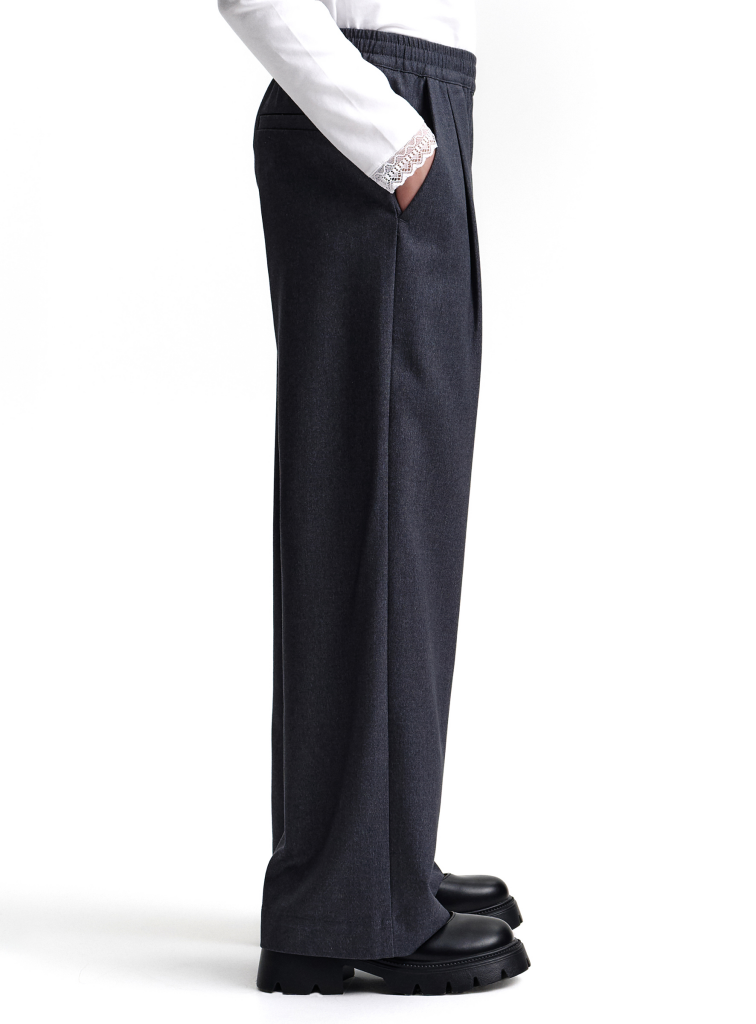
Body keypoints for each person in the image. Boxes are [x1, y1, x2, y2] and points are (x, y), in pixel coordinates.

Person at [218, 0, 531, 995]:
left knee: (398, 508)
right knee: (380, 508)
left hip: (401, 106)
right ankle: (352, 904)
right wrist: (394, 137)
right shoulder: (385, 129)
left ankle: (373, 864)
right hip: (373, 109)